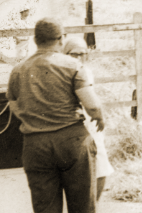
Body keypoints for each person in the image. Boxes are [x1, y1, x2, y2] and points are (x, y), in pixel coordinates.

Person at [6, 17, 104, 213]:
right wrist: (100, 117)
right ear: (61, 39)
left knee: (45, 207)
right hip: (72, 141)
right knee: (83, 205)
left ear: (35, 40)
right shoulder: (74, 66)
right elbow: (91, 105)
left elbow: (14, 106)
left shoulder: (17, 71)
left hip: (36, 145)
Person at [63, 37, 114, 202]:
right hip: (82, 122)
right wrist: (99, 116)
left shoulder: (84, 71)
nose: (78, 57)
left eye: (82, 54)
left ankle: (92, 205)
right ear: (65, 54)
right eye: (73, 54)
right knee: (99, 166)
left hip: (86, 122)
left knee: (99, 166)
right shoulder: (74, 71)